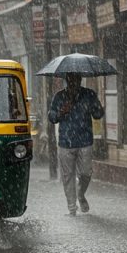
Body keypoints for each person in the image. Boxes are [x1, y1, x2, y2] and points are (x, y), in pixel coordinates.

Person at [48, 72, 104, 215]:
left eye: (76, 79)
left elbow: (98, 114)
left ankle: (80, 194)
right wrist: (61, 112)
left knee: (86, 173)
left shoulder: (89, 94)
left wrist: (93, 106)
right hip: (65, 143)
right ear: (67, 80)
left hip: (85, 141)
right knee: (68, 176)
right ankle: (72, 207)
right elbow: (52, 117)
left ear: (80, 80)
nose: (73, 82)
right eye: (70, 80)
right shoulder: (59, 96)